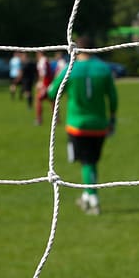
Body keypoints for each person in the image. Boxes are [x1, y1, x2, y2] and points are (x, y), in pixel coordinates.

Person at [47, 36, 118, 215]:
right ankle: (87, 195)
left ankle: (93, 198)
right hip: (99, 124)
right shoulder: (103, 68)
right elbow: (113, 97)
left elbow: (52, 91)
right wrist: (113, 119)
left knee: (87, 162)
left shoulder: (70, 69)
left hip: (77, 125)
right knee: (91, 162)